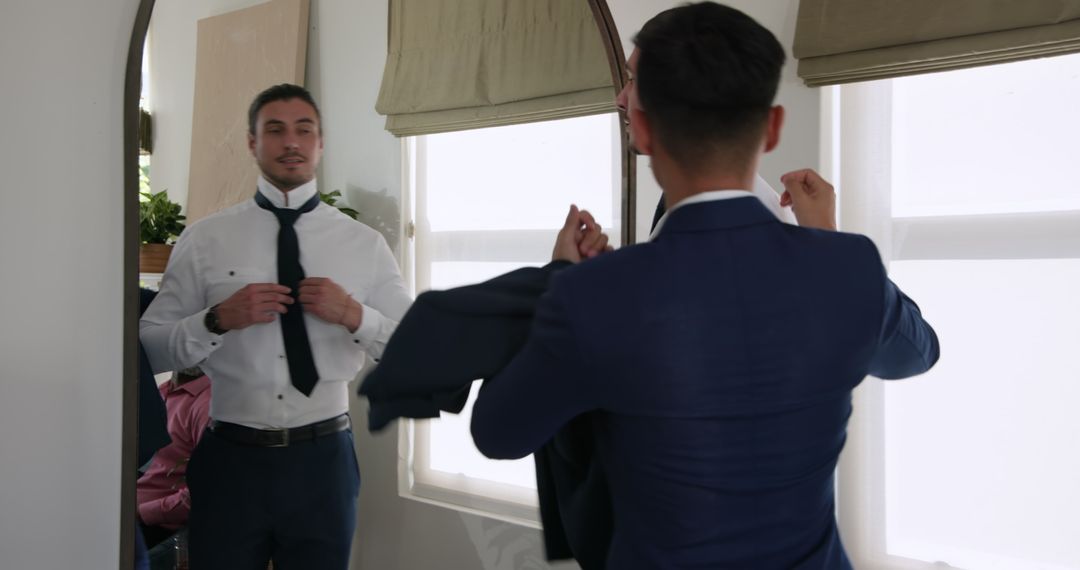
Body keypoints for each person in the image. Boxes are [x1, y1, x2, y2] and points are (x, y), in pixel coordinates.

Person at [470, 3, 940, 569]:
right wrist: (829, 244)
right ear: (772, 127)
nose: (621, 97)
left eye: (631, 82)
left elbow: (498, 432)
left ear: (643, 125)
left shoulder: (595, 295)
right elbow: (917, 353)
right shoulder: (848, 266)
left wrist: (558, 286)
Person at [140, 83, 412, 570]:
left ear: (320, 143)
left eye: (304, 130)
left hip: (323, 461)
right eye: (275, 129)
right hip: (229, 460)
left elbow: (415, 352)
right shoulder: (205, 240)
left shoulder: (363, 245)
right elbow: (151, 349)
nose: (292, 142)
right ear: (251, 142)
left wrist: (355, 316)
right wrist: (217, 319)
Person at [136, 367, 210, 567]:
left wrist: (140, 511)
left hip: (160, 524)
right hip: (132, 510)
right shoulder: (160, 391)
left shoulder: (209, 404)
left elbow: (205, 493)